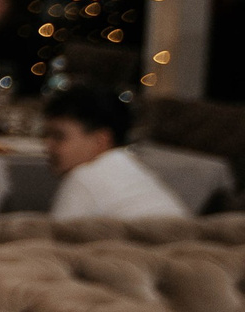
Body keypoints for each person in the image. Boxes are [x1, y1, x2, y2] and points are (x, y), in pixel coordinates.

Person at [45, 85, 185, 220]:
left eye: (58, 136)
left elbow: (58, 242)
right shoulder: (127, 168)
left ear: (100, 141)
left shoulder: (85, 178)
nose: (48, 145)